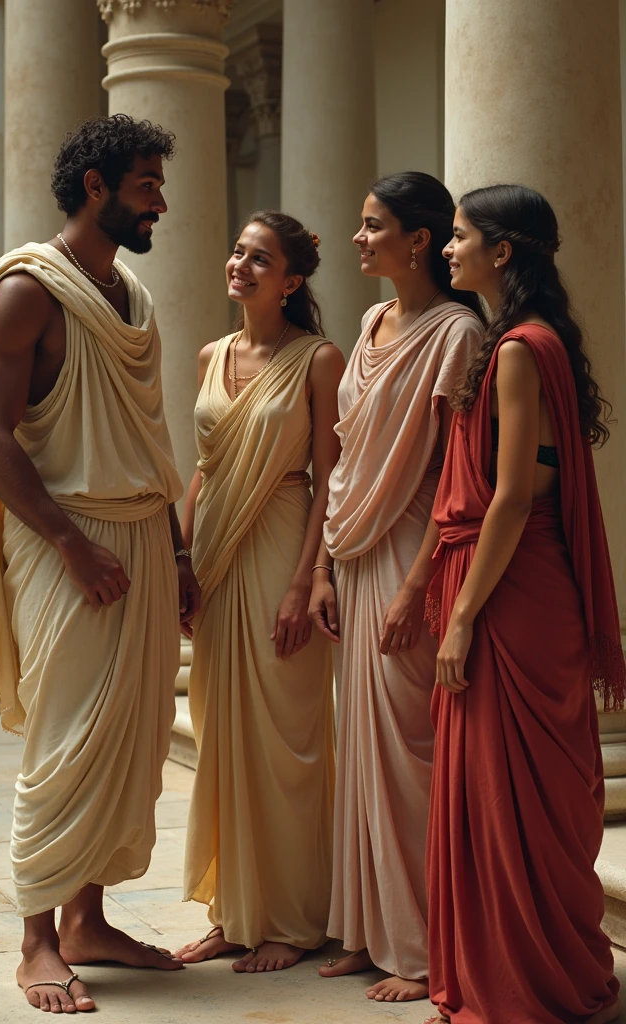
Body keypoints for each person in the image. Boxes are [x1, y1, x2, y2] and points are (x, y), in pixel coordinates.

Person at [0, 114, 199, 1014]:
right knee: (65, 740)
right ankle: (35, 942)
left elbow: (149, 436)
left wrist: (174, 551)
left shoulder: (129, 294)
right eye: (147, 185)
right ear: (96, 188)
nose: (161, 203)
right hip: (67, 540)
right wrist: (70, 545)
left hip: (139, 534)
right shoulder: (29, 291)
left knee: (132, 740)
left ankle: (89, 922)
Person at [403, 184, 622, 1024]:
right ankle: (517, 973)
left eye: (458, 238)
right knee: (494, 795)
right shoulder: (522, 343)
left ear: (503, 251)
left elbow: (516, 496)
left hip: (510, 597)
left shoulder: (522, 350)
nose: (446, 249)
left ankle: (524, 985)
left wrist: (460, 619)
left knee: (506, 800)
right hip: (509, 585)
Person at [310, 172, 484, 1002]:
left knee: (410, 754)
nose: (357, 237)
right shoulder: (374, 319)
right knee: (361, 754)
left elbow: (459, 471)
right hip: (350, 548)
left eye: (372, 225)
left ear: (418, 241)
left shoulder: (457, 333)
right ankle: (367, 933)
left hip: (413, 546)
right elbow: (341, 456)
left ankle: (419, 950)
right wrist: (322, 569)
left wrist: (419, 587)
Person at [175, 211, 344, 973]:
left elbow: (327, 478)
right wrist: (180, 560)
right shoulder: (211, 354)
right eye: (238, 250)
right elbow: (204, 467)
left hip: (281, 541)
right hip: (214, 550)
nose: (241, 263)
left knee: (288, 740)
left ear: (293, 279)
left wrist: (307, 581)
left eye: (260, 257)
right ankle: (233, 911)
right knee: (222, 738)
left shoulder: (318, 359)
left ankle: (294, 919)